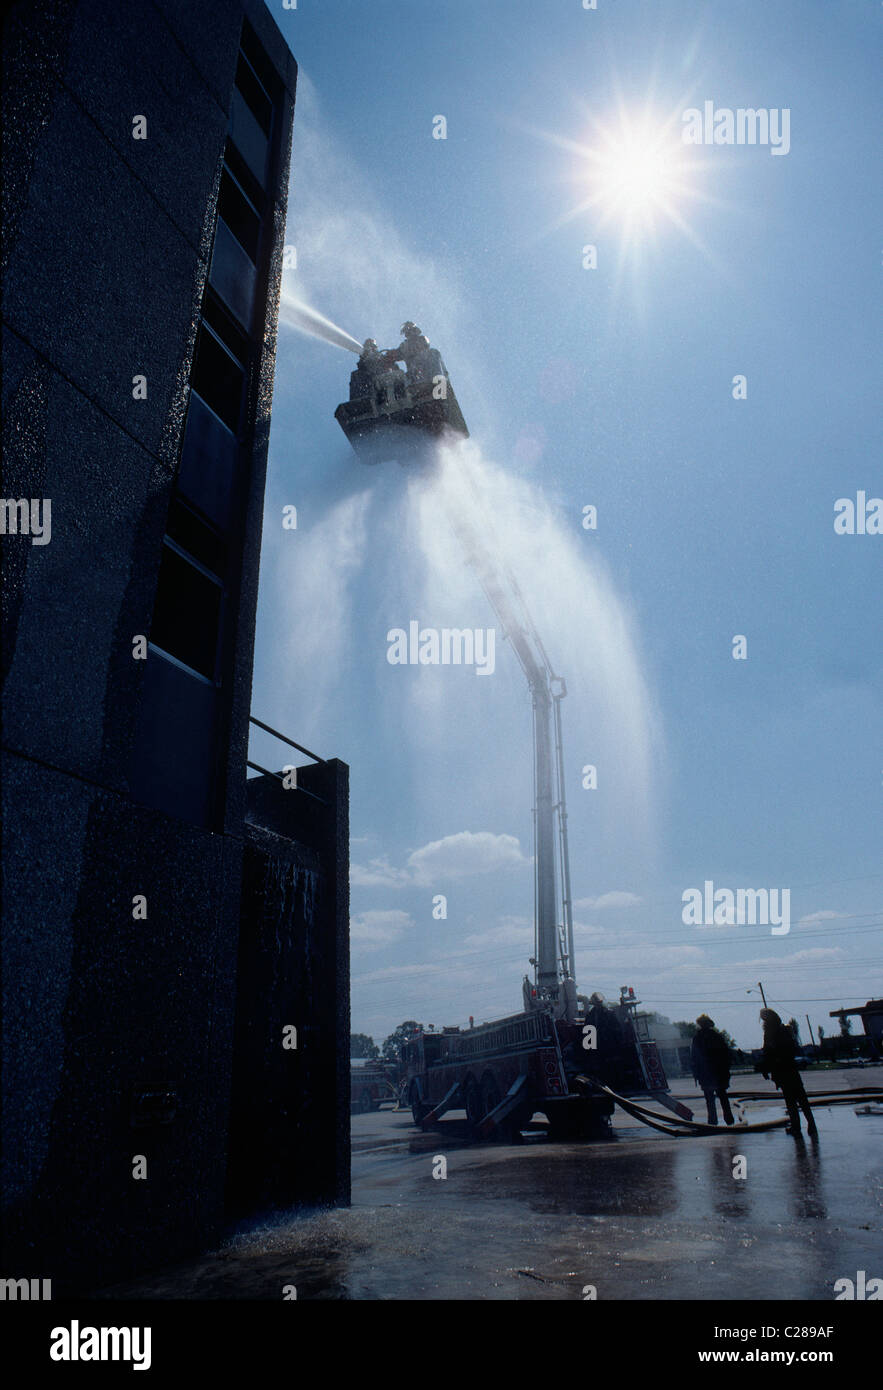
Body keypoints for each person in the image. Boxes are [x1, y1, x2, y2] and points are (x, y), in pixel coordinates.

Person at [760, 1009, 818, 1138]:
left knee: (791, 1100)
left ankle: (797, 1126)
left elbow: (768, 1052)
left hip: (783, 1070)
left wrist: (766, 1067)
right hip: (790, 1069)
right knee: (801, 1099)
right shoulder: (784, 1030)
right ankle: (809, 1125)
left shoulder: (771, 1033)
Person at [691, 1015, 734, 1125]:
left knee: (710, 1100)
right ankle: (729, 1120)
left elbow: (694, 1058)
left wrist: (696, 1073)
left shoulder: (698, 1038)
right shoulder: (716, 1036)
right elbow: (726, 1055)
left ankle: (713, 1122)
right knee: (723, 1097)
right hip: (718, 1073)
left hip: (707, 1074)